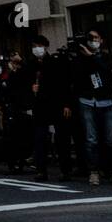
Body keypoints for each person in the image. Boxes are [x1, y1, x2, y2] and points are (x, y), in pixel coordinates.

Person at [71, 29, 112, 185]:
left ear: (101, 40)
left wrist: (92, 56)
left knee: (110, 139)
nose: (93, 41)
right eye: (90, 38)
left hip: (106, 100)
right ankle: (93, 171)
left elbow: (106, 68)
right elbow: (76, 76)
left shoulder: (106, 55)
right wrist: (83, 55)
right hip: (87, 100)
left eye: (96, 38)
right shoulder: (79, 57)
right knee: (91, 139)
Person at [28, 36, 79, 181]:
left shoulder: (56, 62)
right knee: (40, 138)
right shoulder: (31, 65)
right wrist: (31, 90)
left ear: (45, 46)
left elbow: (65, 84)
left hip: (57, 103)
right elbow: (24, 84)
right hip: (39, 106)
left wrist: (67, 104)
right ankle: (41, 170)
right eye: (34, 46)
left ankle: (65, 170)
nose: (36, 48)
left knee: (62, 138)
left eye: (39, 45)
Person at [3, 53, 34, 173]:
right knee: (13, 137)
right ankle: (13, 162)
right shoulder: (9, 75)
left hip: (22, 108)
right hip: (12, 108)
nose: (14, 65)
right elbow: (7, 90)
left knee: (23, 136)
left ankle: (20, 161)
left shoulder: (23, 74)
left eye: (16, 63)